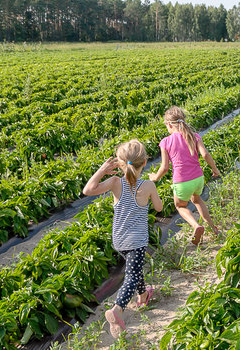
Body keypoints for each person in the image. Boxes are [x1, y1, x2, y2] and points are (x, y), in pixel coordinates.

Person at [82, 139, 163, 339]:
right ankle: (117, 310)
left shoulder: (115, 182)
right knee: (132, 275)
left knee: (134, 268)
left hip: (119, 239)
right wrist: (152, 195)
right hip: (137, 239)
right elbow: (160, 208)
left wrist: (102, 170)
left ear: (119, 163)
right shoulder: (148, 185)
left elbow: (88, 190)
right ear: (144, 162)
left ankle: (143, 295)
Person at [149, 106, 221, 245]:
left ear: (169, 124)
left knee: (180, 206)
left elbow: (164, 168)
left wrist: (155, 178)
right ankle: (214, 228)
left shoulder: (166, 142)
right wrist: (215, 170)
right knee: (197, 200)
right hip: (198, 178)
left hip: (182, 181)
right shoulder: (194, 136)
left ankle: (196, 226)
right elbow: (205, 154)